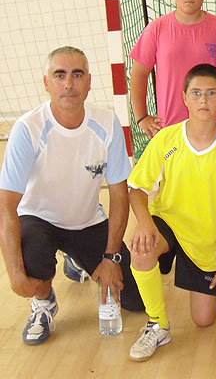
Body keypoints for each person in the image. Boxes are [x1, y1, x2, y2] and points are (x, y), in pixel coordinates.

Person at [0, 46, 143, 345]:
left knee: (136, 300)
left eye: (77, 75)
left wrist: (110, 257)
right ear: (46, 83)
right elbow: (6, 206)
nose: (68, 83)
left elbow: (120, 195)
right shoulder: (27, 129)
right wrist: (15, 273)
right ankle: (44, 302)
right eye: (59, 75)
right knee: (33, 253)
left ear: (89, 82)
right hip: (39, 220)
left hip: (86, 222)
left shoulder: (107, 124)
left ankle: (76, 258)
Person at [126, 64, 216, 361]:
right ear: (184, 98)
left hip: (205, 242)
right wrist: (144, 223)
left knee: (204, 319)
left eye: (211, 93)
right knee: (141, 248)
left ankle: (214, 284)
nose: (203, 100)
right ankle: (157, 324)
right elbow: (136, 188)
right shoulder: (166, 139)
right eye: (196, 93)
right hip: (168, 223)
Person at [129, 0, 216, 138]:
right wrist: (141, 117)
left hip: (213, 127)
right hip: (170, 128)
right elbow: (139, 73)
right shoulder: (157, 28)